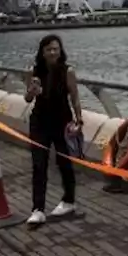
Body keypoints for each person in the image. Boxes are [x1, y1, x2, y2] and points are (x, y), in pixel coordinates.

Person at [23, 34, 83, 225]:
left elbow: (75, 97)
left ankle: (69, 200)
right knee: (38, 164)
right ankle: (38, 209)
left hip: (62, 121)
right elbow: (27, 99)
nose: (52, 52)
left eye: (56, 49)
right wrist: (31, 91)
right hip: (39, 122)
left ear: (60, 51)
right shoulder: (34, 71)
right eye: (48, 49)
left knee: (64, 162)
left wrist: (79, 120)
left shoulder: (68, 71)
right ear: (42, 51)